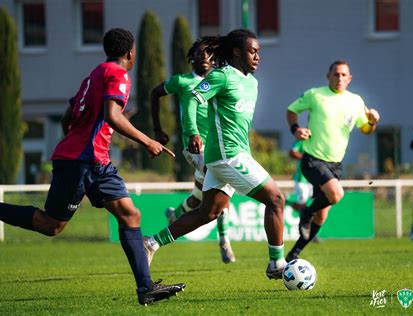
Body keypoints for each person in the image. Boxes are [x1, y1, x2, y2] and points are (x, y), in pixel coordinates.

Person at [0, 28, 184, 306]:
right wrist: (147, 141)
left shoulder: (93, 75)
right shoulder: (118, 74)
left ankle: (146, 288)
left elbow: (68, 116)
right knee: (51, 226)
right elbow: (112, 115)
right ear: (131, 52)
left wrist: (76, 142)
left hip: (93, 160)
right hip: (84, 161)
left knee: (130, 215)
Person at [144, 29, 287, 279]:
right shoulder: (222, 76)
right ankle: (277, 264)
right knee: (275, 199)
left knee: (207, 213)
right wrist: (192, 133)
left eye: (259, 52)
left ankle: (151, 243)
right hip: (227, 156)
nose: (257, 56)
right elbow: (192, 96)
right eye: (252, 51)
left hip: (233, 156)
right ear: (236, 52)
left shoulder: (252, 83)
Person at [150, 38, 235, 263]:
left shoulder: (219, 81)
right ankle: (224, 242)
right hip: (194, 147)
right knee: (222, 188)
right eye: (200, 53)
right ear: (192, 57)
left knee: (200, 197)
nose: (205, 57)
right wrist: (158, 129)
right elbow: (154, 94)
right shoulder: (182, 81)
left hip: (218, 146)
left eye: (209, 54)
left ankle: (175, 214)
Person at [285, 60, 380, 262]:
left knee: (322, 216)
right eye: (336, 74)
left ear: (349, 78)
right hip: (312, 159)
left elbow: (366, 130)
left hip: (335, 165)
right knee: (336, 194)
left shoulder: (356, 101)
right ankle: (306, 213)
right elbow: (291, 111)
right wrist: (296, 129)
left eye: (344, 75)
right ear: (328, 76)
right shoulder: (315, 95)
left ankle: (295, 252)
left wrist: (372, 121)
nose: (339, 78)